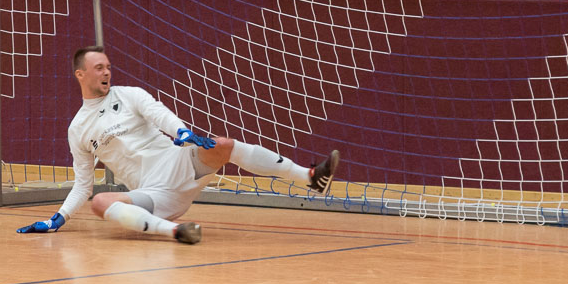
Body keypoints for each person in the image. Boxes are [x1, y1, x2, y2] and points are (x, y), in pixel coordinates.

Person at [17, 46, 338, 244]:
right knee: (100, 202)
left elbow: (159, 113)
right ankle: (176, 232)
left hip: (177, 162)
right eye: (99, 68)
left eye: (108, 67)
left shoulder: (130, 95)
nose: (106, 72)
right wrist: (58, 218)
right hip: (153, 193)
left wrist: (181, 132)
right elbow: (83, 184)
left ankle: (310, 177)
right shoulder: (78, 128)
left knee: (223, 145)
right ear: (80, 74)